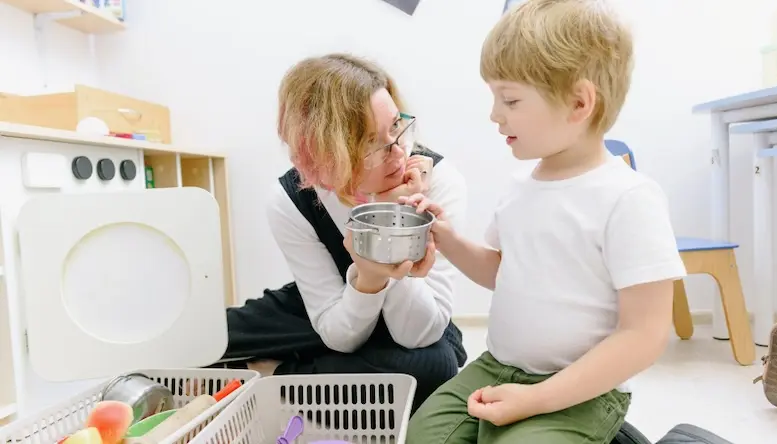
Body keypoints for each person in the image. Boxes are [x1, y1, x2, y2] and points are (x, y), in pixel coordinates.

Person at [401, 0, 687, 442]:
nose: (495, 114)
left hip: (583, 389)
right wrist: (448, 238)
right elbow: (504, 271)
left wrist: (536, 400)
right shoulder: (520, 187)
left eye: (510, 99)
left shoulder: (630, 199)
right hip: (497, 367)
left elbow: (643, 335)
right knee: (424, 434)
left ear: (578, 102)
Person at [215, 53, 468, 412]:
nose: (398, 151)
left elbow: (415, 334)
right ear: (321, 156)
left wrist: (392, 223)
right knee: (209, 339)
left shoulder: (438, 182)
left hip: (410, 305)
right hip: (330, 297)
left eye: (397, 125)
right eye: (370, 142)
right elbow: (338, 333)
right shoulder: (291, 199)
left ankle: (270, 376)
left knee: (430, 366)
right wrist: (365, 278)